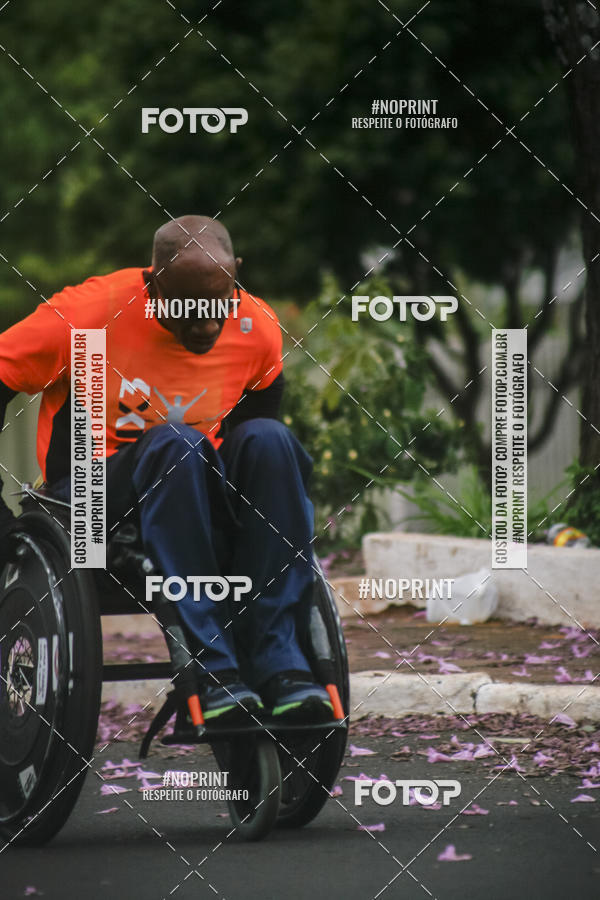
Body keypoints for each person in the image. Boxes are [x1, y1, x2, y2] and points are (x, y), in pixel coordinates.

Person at [0, 214, 333, 725]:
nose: (204, 325)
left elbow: (255, 428)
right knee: (177, 443)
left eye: (216, 305)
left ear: (235, 277)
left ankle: (279, 662)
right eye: (186, 309)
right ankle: (215, 669)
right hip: (89, 503)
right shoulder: (89, 313)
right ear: (153, 285)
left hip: (189, 493)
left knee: (271, 441)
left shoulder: (255, 326)